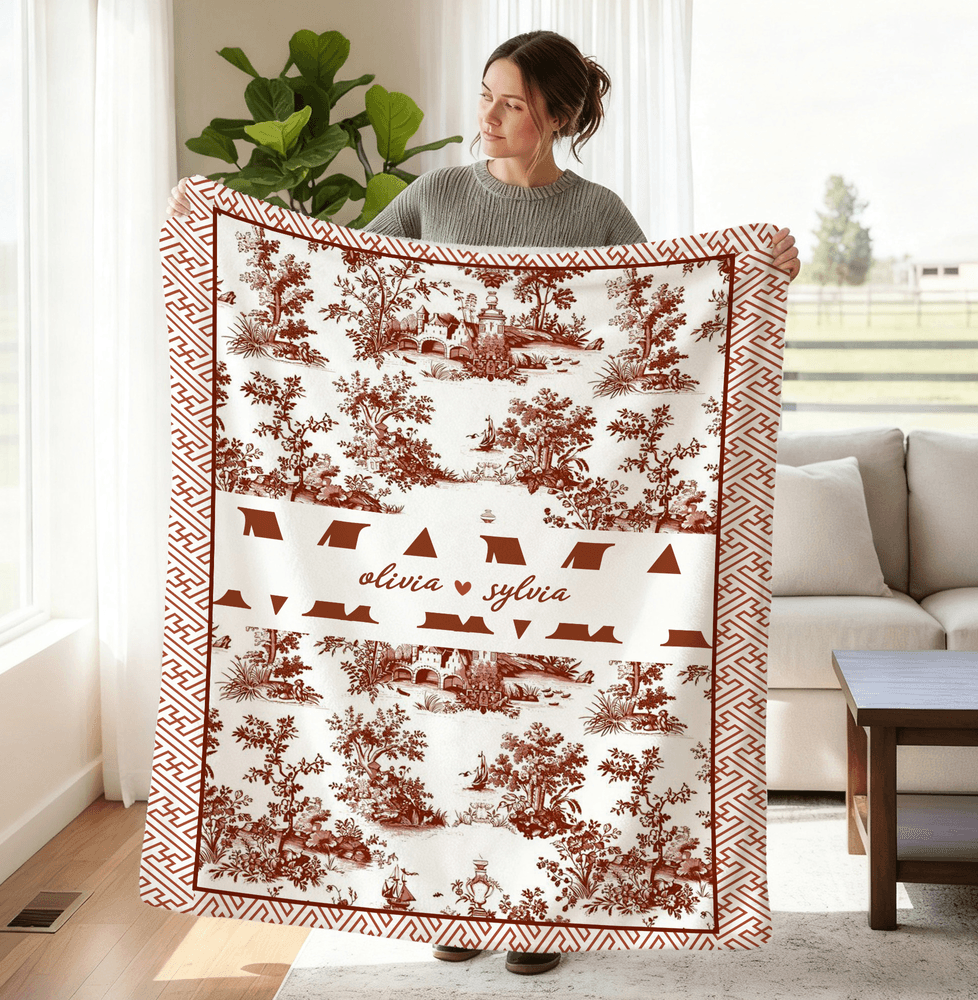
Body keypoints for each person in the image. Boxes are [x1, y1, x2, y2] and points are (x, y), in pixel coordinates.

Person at [168, 28, 800, 978]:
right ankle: (453, 899)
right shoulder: (437, 196)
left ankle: (537, 908)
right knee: (445, 711)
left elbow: (668, 313)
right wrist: (219, 226)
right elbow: (340, 273)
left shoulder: (599, 213)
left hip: (550, 521)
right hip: (432, 510)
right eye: (485, 94)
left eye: (512, 102)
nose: (489, 116)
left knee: (543, 710)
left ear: (558, 115)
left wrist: (760, 269)